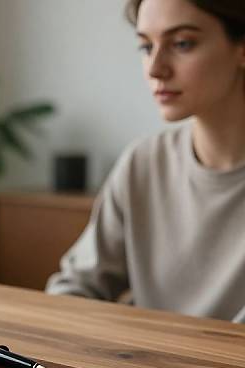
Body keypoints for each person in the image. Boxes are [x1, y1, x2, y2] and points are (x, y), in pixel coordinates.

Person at [46, 0, 245, 322]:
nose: (155, 69)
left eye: (182, 44)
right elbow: (76, 286)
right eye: (146, 46)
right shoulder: (144, 163)